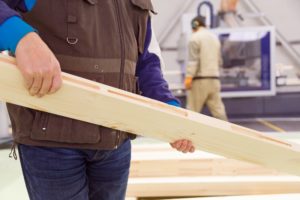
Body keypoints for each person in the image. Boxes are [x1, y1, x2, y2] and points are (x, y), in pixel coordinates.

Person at [0, 1, 195, 199]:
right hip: (53, 141)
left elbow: (145, 59)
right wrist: (20, 37)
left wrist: (168, 108)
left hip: (115, 141)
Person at [185, 16, 228, 121]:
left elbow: (193, 61)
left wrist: (189, 77)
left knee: (192, 112)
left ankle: (189, 136)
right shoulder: (214, 38)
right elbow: (219, 61)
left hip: (200, 81)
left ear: (194, 25)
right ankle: (227, 135)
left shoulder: (194, 38)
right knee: (219, 112)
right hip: (214, 81)